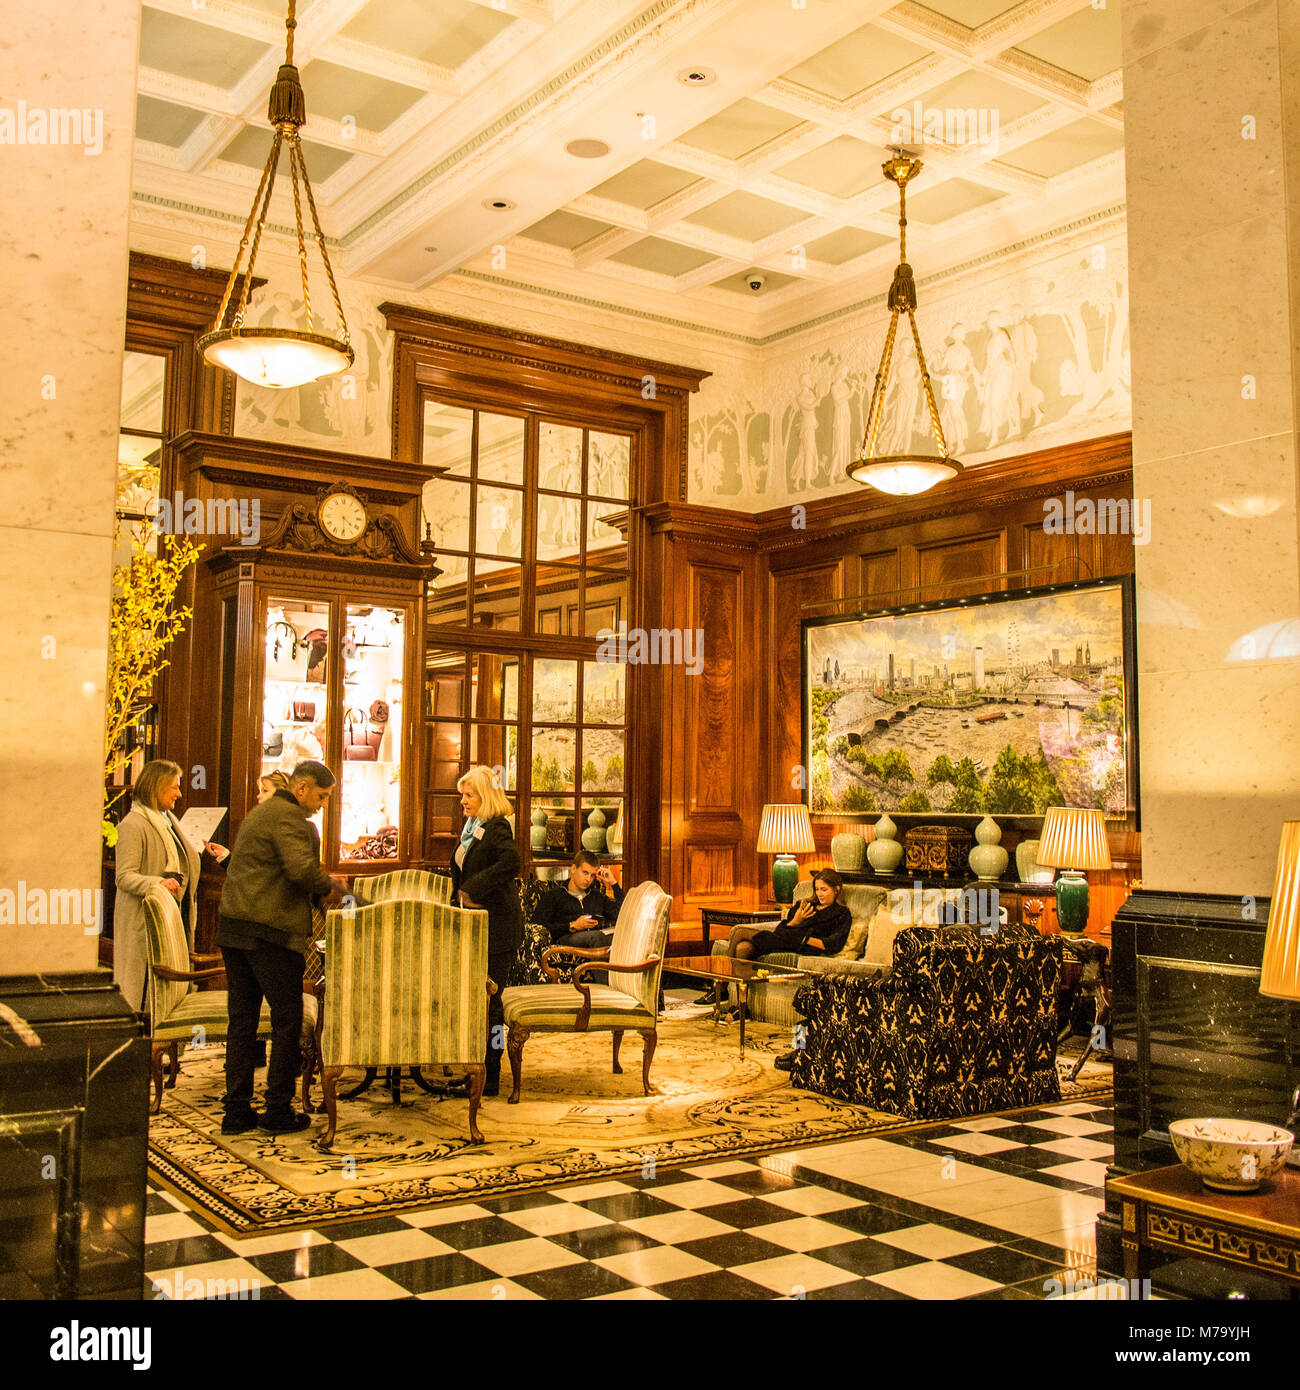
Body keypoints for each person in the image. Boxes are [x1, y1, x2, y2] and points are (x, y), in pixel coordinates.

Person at [216, 761, 345, 1135]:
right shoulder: (290, 818)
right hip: (268, 934)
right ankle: (277, 1111)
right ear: (301, 788)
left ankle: (236, 1112)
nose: (322, 804)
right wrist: (337, 889)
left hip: (235, 930)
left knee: (242, 1021)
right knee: (288, 1021)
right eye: (321, 796)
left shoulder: (263, 812)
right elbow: (301, 870)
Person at [113, 758, 219, 1014]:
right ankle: (146, 1043)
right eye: (174, 787)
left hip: (174, 913)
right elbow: (124, 877)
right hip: (144, 920)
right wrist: (157, 882)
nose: (179, 794)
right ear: (156, 787)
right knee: (144, 990)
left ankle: (164, 1039)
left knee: (167, 987)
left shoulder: (167, 820)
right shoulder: (133, 825)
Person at [451, 765, 523, 1098]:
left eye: (468, 795)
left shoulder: (497, 827)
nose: (463, 801)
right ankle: (474, 1068)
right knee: (475, 1002)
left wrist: (473, 890)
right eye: (462, 795)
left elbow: (510, 864)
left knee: (492, 1004)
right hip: (474, 928)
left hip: (498, 928)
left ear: (485, 796)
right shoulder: (472, 827)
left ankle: (490, 1075)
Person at [730, 869, 852, 960]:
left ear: (836, 889)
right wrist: (796, 921)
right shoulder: (806, 905)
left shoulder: (841, 913)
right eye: (817, 889)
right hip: (784, 940)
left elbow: (833, 944)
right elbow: (779, 931)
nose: (819, 894)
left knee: (739, 932)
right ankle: (738, 989)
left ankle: (720, 985)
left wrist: (803, 938)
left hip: (802, 947)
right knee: (743, 947)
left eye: (824, 890)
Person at [534, 850, 623, 949]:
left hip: (594, 938)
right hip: (565, 938)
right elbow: (538, 927)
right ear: (573, 869)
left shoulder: (596, 896)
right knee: (596, 937)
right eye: (585, 873)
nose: (588, 879)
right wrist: (573, 925)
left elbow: (621, 913)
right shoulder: (554, 895)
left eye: (592, 875)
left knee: (619, 936)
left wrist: (613, 883)